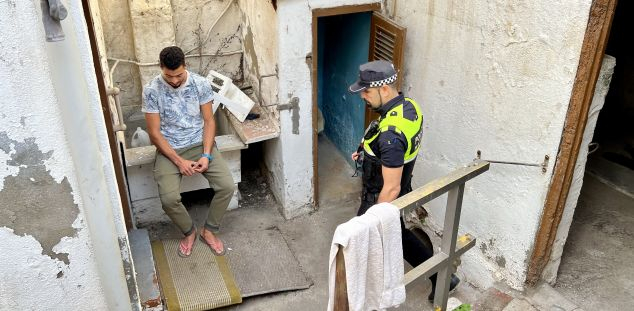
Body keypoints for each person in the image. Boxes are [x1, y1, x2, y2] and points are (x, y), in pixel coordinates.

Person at [348, 60, 460, 302]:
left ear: (384, 89)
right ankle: (443, 277)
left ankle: (363, 297)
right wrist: (365, 148)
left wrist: (373, 217)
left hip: (380, 197)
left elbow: (391, 186)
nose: (363, 97)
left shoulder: (391, 137)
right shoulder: (409, 107)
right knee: (398, 236)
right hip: (399, 191)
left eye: (367, 91)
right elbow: (382, 130)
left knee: (360, 241)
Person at [142, 46, 235, 258]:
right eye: (169, 75)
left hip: (199, 144)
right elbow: (155, 134)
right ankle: (189, 232)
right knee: (169, 199)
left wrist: (206, 154)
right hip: (169, 148)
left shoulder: (200, 84)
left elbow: (209, 121)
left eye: (179, 75)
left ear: (186, 66)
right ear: (161, 68)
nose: (174, 80)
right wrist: (178, 161)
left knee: (227, 186)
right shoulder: (151, 90)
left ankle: (209, 230)